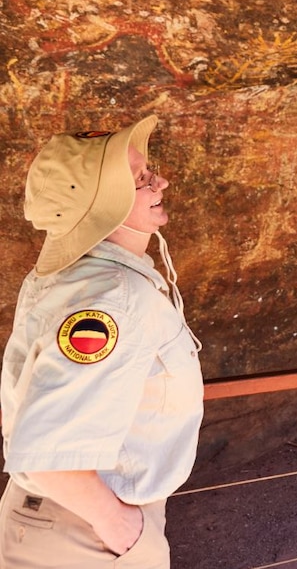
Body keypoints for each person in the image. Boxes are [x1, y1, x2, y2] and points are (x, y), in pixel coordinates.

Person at [0, 115, 204, 568]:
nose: (161, 182)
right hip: (89, 533)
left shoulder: (86, 278)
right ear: (102, 202)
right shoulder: (110, 299)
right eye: (142, 178)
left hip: (71, 525)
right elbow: (53, 457)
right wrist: (124, 531)